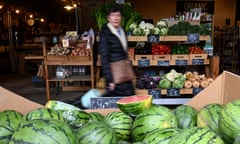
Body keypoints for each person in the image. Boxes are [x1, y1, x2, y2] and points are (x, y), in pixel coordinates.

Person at [98, 4, 135, 97]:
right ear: (108, 18)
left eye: (118, 15)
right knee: (118, 99)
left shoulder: (122, 31)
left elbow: (124, 52)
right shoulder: (105, 33)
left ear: (121, 17)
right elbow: (104, 57)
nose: (116, 18)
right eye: (113, 15)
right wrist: (110, 79)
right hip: (114, 75)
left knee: (128, 97)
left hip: (124, 72)